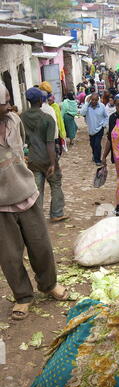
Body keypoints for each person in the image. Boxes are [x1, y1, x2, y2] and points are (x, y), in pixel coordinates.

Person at [0, 83, 68, 320]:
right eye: (4, 103)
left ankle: (48, 285)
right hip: (1, 205)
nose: (9, 106)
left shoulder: (15, 121)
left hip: (27, 193)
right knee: (9, 256)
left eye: (8, 100)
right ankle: (23, 296)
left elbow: (21, 147)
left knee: (41, 246)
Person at [21, 88, 68, 224]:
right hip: (47, 158)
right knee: (56, 184)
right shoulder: (47, 119)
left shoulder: (22, 117)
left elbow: (22, 140)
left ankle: (37, 217)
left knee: (36, 188)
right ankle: (56, 213)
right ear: (41, 101)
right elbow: (50, 143)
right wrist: (53, 163)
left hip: (33, 159)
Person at [80, 92, 108, 166]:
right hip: (91, 129)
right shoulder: (87, 107)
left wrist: (104, 125)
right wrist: (86, 103)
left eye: (95, 100)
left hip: (99, 128)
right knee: (92, 144)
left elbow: (106, 116)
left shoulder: (102, 106)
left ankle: (97, 160)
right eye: (92, 100)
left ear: (98, 99)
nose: (94, 101)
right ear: (90, 99)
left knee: (97, 144)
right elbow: (82, 113)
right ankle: (94, 155)